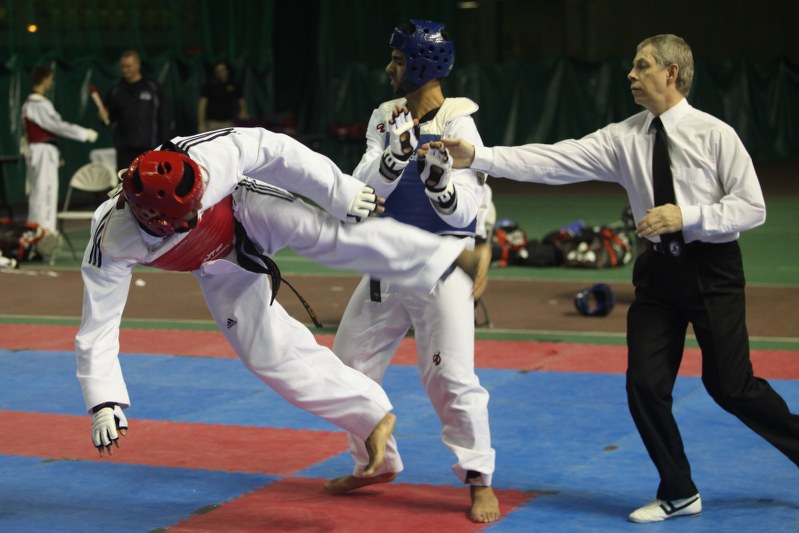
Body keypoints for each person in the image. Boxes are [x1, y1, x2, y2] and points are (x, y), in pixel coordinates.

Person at [432, 34, 799, 523]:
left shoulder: (716, 135)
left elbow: (751, 207)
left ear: (671, 73)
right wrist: (477, 157)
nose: (631, 74)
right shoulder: (624, 137)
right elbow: (552, 160)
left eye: (641, 66)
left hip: (712, 271)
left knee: (730, 386)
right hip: (657, 276)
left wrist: (684, 216)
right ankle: (678, 490)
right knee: (645, 385)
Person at [77, 127, 482, 487]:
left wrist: (339, 191)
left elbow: (277, 150)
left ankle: (446, 255)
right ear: (152, 219)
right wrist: (104, 401)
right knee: (265, 354)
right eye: (185, 216)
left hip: (245, 211)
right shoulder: (112, 239)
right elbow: (99, 323)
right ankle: (372, 422)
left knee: (330, 238)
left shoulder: (207, 157)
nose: (195, 214)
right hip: (215, 266)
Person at [324, 20, 500, 524]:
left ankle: (479, 478)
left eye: (399, 61)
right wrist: (394, 156)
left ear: (422, 65)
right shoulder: (386, 116)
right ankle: (374, 463)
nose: (389, 68)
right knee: (347, 366)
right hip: (388, 257)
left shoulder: (460, 124)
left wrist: (441, 187)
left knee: (450, 376)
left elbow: (469, 209)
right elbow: (361, 189)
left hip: (445, 263)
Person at [21, 65, 98, 234]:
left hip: (40, 151)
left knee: (41, 191)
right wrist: (83, 133)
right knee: (44, 191)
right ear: (46, 79)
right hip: (42, 152)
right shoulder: (38, 104)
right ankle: (43, 231)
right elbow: (57, 126)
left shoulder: (30, 103)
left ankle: (40, 230)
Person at [98, 50, 170, 171]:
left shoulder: (153, 88)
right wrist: (103, 117)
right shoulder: (115, 91)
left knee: (149, 183)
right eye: (123, 67)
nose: (125, 70)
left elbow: (164, 117)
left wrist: (163, 145)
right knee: (124, 184)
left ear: (138, 65)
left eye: (129, 66)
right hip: (124, 150)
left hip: (150, 149)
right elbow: (108, 119)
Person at [197, 61, 249, 133]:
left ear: (227, 71)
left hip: (229, 122)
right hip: (212, 123)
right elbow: (202, 105)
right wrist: (201, 124)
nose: (220, 73)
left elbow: (241, 100)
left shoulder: (233, 85)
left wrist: (243, 111)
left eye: (222, 70)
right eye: (218, 71)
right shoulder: (209, 86)